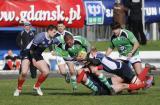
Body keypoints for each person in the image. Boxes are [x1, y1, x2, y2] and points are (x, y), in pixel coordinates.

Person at [13, 25, 58, 96]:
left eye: (56, 32)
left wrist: (57, 49)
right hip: (28, 53)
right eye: (54, 32)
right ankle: (18, 89)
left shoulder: (53, 38)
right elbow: (31, 49)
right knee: (24, 72)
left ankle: (36, 87)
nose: (55, 33)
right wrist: (33, 60)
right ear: (49, 31)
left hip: (37, 55)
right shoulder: (40, 36)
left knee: (46, 72)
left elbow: (59, 44)